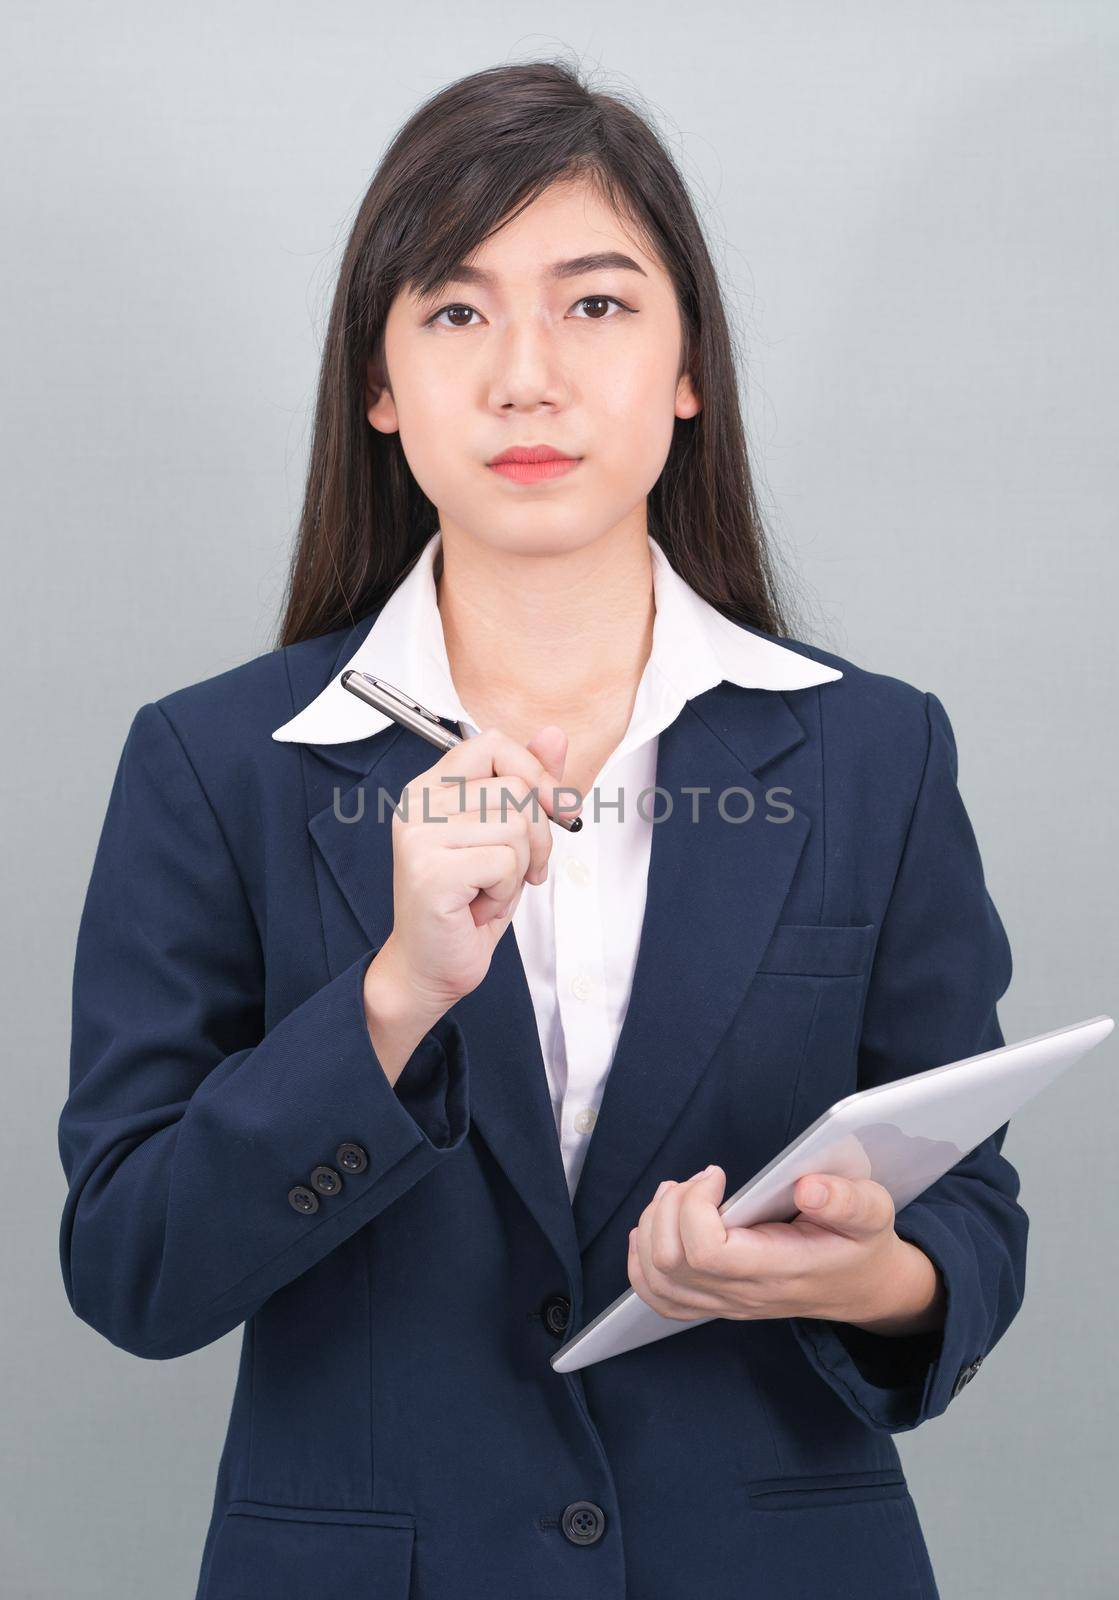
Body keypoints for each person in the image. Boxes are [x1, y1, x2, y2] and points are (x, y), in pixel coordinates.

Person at [57, 58, 1027, 1600]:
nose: (526, 376)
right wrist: (394, 1003)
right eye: (455, 312)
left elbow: (970, 1210)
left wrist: (880, 1275)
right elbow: (132, 1268)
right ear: (379, 387)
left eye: (595, 305)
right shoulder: (216, 763)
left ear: (688, 365)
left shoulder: (874, 751)